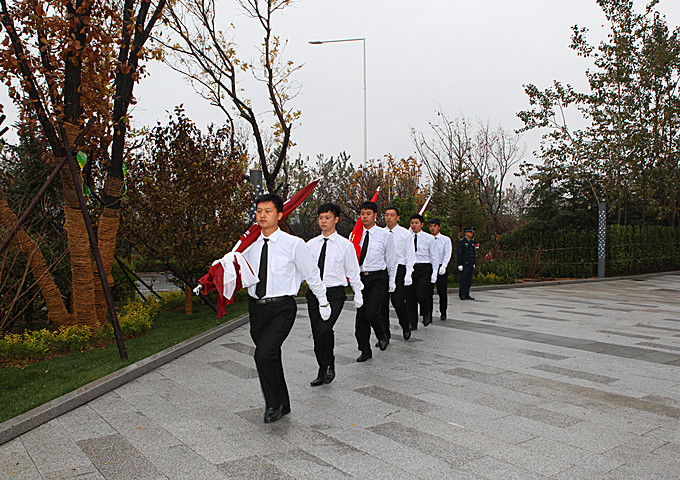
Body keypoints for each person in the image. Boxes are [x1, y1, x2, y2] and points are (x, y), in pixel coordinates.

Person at [242, 193, 331, 424]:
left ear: (280, 215)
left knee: (263, 355)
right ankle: (284, 402)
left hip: (282, 308)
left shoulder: (294, 244)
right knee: (270, 356)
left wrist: (323, 302)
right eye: (259, 211)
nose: (262, 215)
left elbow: (312, 274)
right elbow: (240, 273)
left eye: (268, 211)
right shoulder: (248, 245)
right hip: (257, 308)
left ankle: (273, 405)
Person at [306, 203, 363, 386]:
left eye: (327, 217)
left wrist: (358, 292)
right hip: (314, 293)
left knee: (324, 329)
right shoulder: (310, 245)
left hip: (334, 294)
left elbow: (353, 271)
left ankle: (329, 364)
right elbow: (303, 270)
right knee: (318, 334)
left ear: (336, 219)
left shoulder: (345, 246)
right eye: (321, 218)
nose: (323, 221)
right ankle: (322, 369)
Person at [355, 201, 397, 362]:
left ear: (375, 216)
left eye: (368, 214)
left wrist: (392, 281)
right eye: (362, 214)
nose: (365, 217)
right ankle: (364, 350)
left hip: (378, 277)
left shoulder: (384, 235)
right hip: (360, 278)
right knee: (361, 318)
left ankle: (382, 334)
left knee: (372, 311)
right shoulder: (355, 235)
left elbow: (391, 260)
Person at [383, 206, 415, 340]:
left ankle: (405, 326)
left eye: (392, 215)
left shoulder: (405, 234)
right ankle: (384, 335)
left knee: (398, 302)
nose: (389, 218)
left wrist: (409, 273)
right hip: (384, 269)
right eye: (386, 215)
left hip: (399, 269)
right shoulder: (380, 233)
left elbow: (410, 254)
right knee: (382, 304)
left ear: (398, 218)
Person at [407, 214, 438, 328]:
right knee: (410, 297)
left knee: (421, 294)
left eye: (416, 223)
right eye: (412, 223)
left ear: (422, 224)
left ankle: (426, 313)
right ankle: (412, 322)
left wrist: (435, 272)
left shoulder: (428, 238)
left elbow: (434, 256)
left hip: (424, 268)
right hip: (411, 267)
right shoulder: (407, 236)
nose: (414, 225)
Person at [429, 218, 453, 321]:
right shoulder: (427, 238)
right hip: (429, 267)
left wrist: (444, 266)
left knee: (442, 292)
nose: (432, 228)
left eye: (435, 226)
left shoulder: (445, 239)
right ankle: (428, 313)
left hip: (440, 267)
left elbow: (448, 253)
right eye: (431, 226)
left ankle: (443, 312)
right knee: (427, 292)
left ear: (439, 227)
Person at [457, 226, 476, 300]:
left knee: (469, 280)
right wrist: (459, 264)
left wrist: (473, 262)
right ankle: (462, 294)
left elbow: (473, 253)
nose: (471, 234)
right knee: (463, 279)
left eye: (472, 232)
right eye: (470, 232)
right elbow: (459, 253)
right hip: (464, 264)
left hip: (470, 263)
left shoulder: (471, 242)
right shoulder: (462, 242)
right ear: (466, 233)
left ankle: (467, 293)